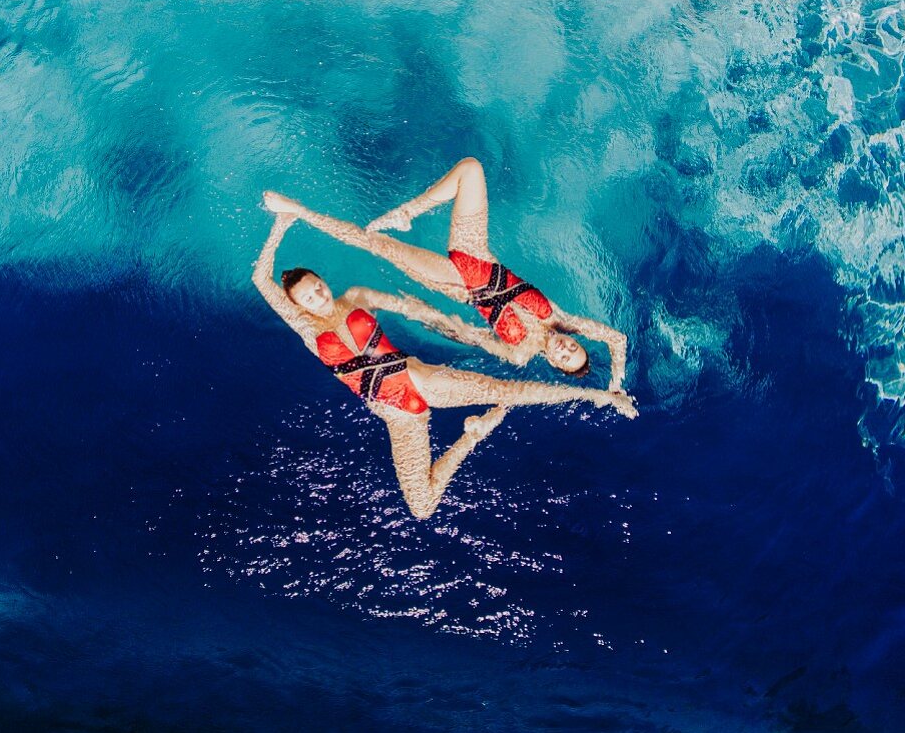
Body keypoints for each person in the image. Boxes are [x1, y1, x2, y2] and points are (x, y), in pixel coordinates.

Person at [253, 207, 637, 520]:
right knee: (421, 507)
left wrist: (446, 324)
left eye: (318, 286)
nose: (318, 296)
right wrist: (279, 226)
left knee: (508, 392)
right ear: (298, 305)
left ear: (323, 279)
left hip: (417, 377)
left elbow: (407, 306)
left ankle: (595, 397)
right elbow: (260, 278)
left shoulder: (356, 296)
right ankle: (473, 435)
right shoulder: (303, 326)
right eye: (308, 296)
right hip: (399, 415)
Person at [263, 157, 629, 389]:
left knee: (375, 244)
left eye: (565, 358)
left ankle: (298, 211)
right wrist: (615, 381)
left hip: (455, 280)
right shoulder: (565, 319)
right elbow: (617, 340)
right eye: (575, 349)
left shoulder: (520, 354)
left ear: (553, 363)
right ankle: (408, 211)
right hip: (477, 253)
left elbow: (471, 336)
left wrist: (434, 319)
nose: (566, 349)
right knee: (470, 169)